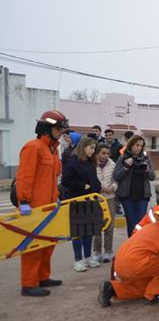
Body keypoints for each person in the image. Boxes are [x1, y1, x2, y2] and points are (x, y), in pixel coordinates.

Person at [16, 110, 69, 297]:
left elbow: (52, 178)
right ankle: (29, 283)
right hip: (34, 208)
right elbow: (25, 177)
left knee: (48, 243)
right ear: (47, 129)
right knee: (32, 246)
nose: (61, 132)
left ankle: (42, 276)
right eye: (58, 129)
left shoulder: (52, 151)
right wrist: (24, 201)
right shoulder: (33, 147)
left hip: (49, 206)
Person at [97, 221, 159, 307]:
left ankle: (112, 289)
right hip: (136, 263)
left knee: (144, 287)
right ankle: (154, 295)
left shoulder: (150, 227)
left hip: (120, 263)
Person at [61, 137, 102, 271]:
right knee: (77, 231)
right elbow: (65, 181)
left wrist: (97, 188)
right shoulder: (72, 162)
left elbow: (94, 179)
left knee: (88, 231)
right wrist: (81, 186)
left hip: (90, 200)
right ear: (83, 147)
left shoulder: (90, 163)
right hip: (76, 200)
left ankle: (88, 257)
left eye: (94, 149)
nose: (93, 151)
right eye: (91, 148)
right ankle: (78, 259)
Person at [114, 135, 156, 237]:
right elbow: (116, 176)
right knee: (131, 222)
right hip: (127, 196)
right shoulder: (123, 157)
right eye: (137, 145)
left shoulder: (145, 158)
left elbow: (152, 177)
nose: (139, 148)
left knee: (140, 223)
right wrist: (126, 167)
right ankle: (131, 246)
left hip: (142, 196)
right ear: (131, 145)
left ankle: (139, 246)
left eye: (141, 145)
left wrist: (147, 170)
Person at [92, 144, 117, 263]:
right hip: (97, 198)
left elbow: (116, 180)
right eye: (103, 153)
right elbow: (91, 179)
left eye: (107, 154)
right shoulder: (92, 164)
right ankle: (97, 252)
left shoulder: (113, 165)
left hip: (110, 198)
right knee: (97, 226)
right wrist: (101, 187)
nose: (105, 156)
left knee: (109, 225)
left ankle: (108, 251)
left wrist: (113, 187)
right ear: (97, 153)